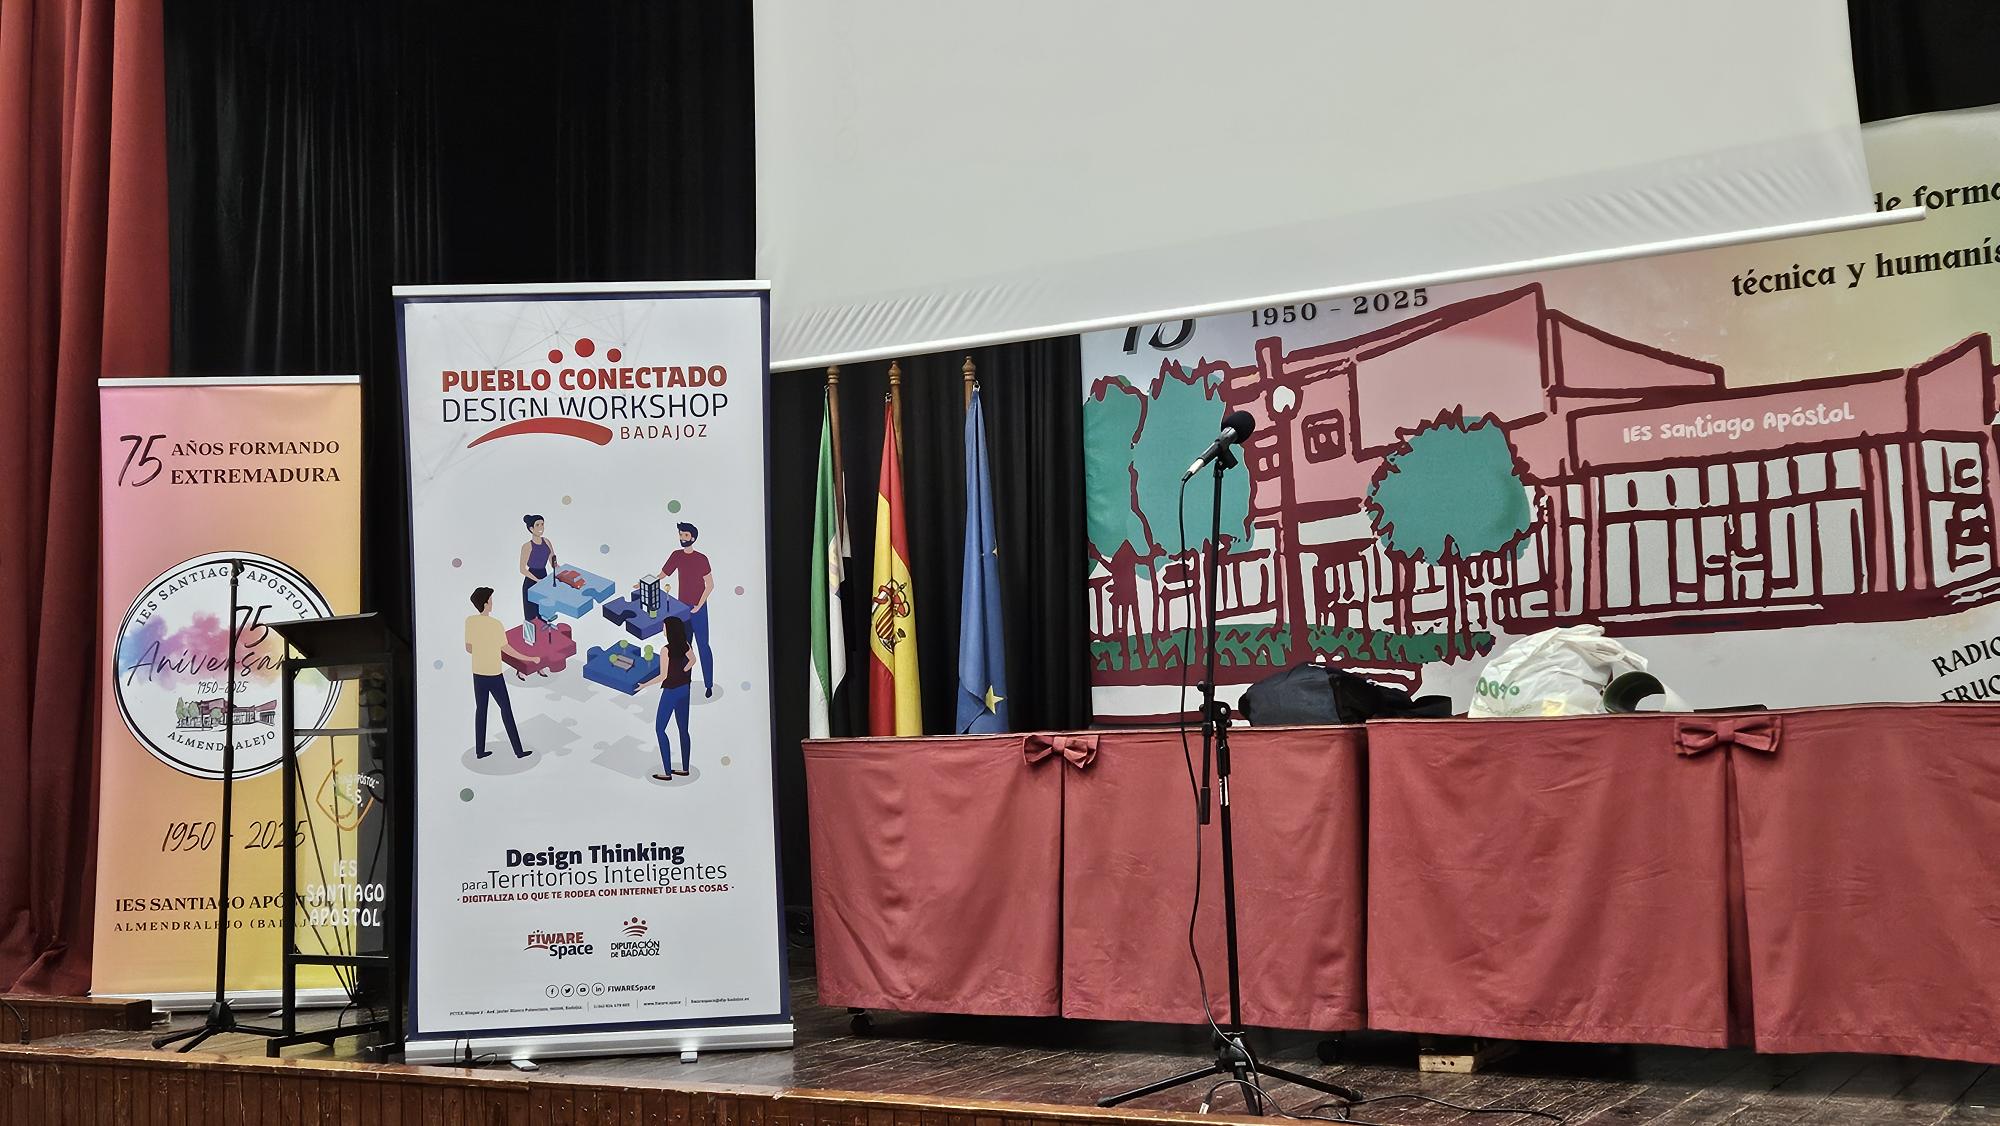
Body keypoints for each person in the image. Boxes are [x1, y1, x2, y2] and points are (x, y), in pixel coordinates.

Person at [465, 586, 532, 759]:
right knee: (506, 710)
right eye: (491, 600)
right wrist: (529, 658)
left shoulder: (470, 621)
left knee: (481, 710)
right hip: (494, 673)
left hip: (478, 673)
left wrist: (482, 649)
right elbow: (506, 649)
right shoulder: (495, 624)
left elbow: (469, 648)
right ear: (485, 603)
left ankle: (480, 751)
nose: (492, 603)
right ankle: (518, 751)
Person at [659, 521, 715, 696]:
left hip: (699, 609)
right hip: (682, 609)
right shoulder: (676, 555)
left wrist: (699, 605)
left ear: (693, 538)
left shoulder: (701, 559)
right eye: (680, 534)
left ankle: (708, 684)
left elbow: (710, 585)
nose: (682, 538)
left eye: (685, 535)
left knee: (703, 646)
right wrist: (645, 583)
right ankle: (685, 684)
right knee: (684, 647)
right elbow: (663, 574)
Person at [641, 616, 697, 780]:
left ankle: (667, 772)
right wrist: (684, 671)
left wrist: (644, 685)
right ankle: (685, 769)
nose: (663, 629)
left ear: (670, 630)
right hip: (684, 689)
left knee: (660, 729)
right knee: (683, 730)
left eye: (664, 627)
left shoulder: (666, 650)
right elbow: (693, 660)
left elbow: (663, 676)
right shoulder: (685, 644)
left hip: (671, 691)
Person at [519, 514, 557, 624]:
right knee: (531, 615)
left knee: (544, 613)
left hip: (544, 577)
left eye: (542, 524)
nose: (541, 527)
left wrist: (560, 571)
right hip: (531, 580)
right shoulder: (527, 546)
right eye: (538, 525)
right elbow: (522, 569)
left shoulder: (547, 542)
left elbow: (553, 561)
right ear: (531, 529)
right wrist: (537, 581)